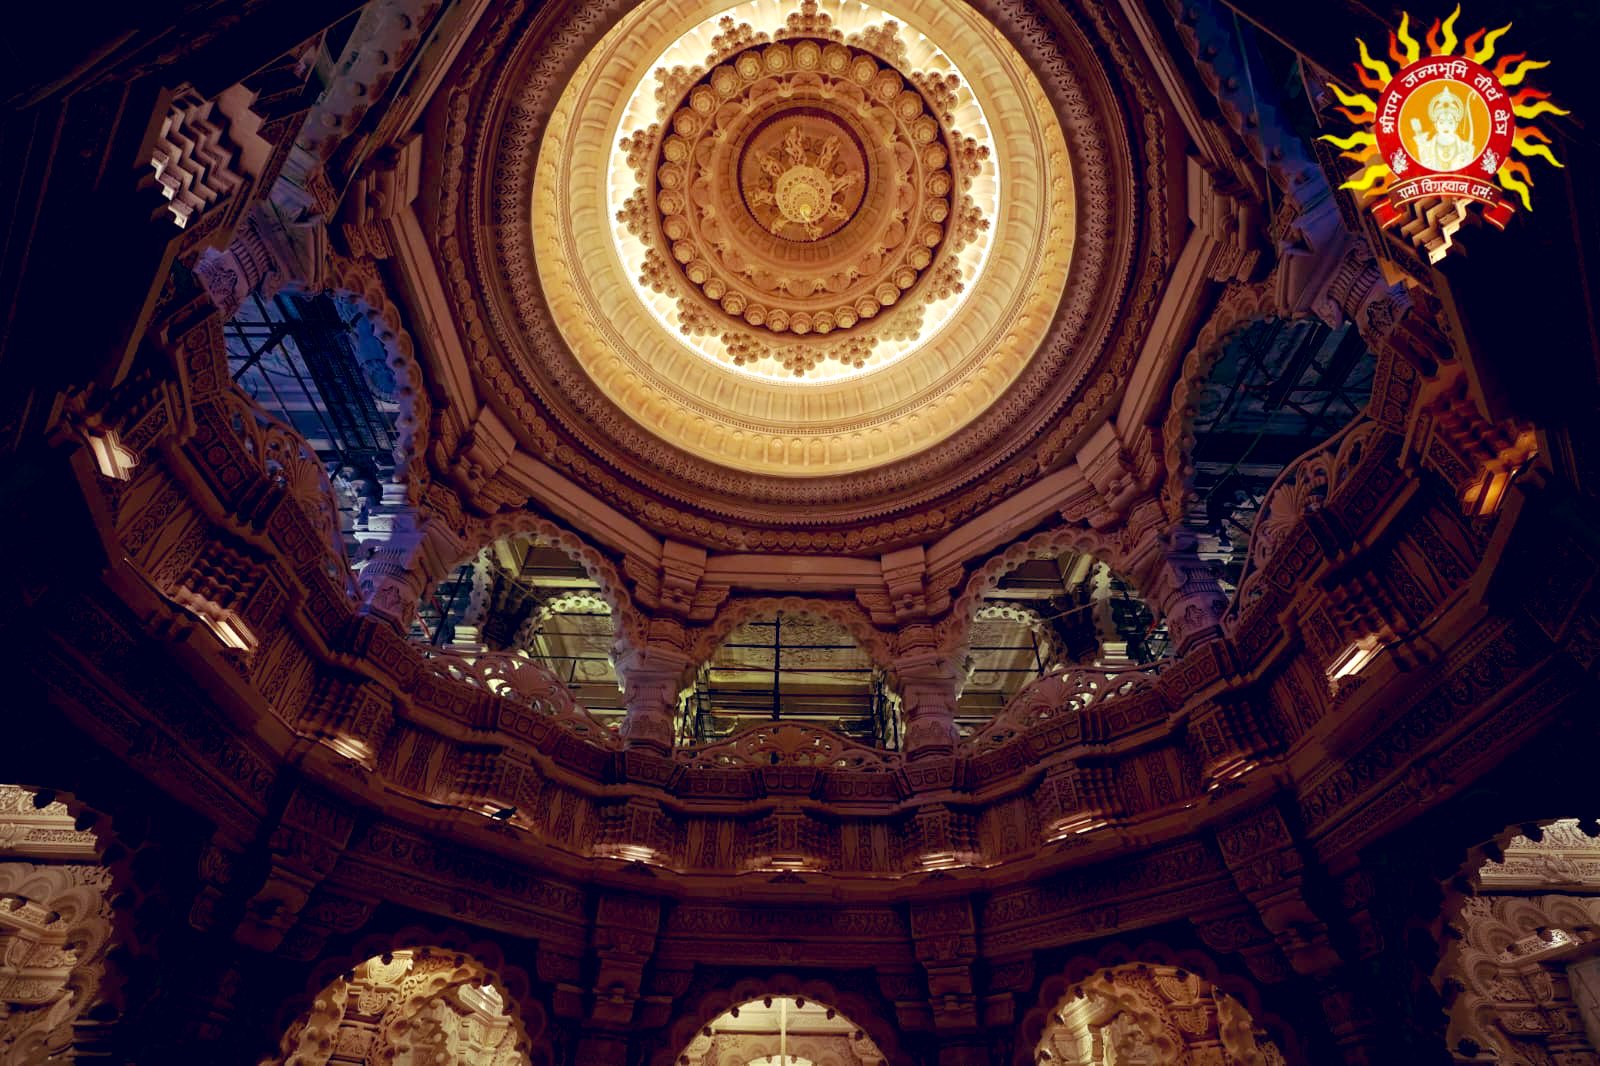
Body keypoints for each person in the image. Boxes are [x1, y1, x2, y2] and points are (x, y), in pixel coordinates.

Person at [1408, 84, 1475, 172]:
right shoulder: (1426, 147)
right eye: (1441, 122)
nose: (1446, 126)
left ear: (1456, 125)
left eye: (1450, 122)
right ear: (1436, 125)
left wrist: (1464, 161)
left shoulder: (1466, 147)